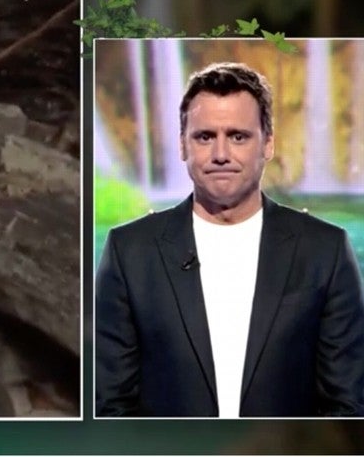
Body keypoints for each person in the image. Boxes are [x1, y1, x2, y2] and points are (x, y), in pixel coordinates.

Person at [95, 60, 364, 417]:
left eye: (238, 136)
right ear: (182, 147)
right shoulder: (129, 253)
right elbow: (110, 405)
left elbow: (348, 406)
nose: (221, 155)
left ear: (267, 144)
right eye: (205, 137)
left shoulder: (325, 252)